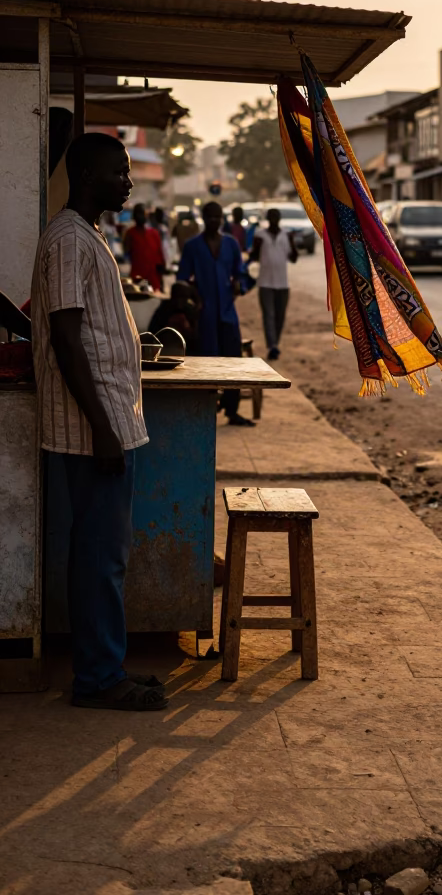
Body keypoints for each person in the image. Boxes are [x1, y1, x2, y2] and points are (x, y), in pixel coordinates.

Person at [30, 132, 166, 711]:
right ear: (87, 176)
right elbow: (65, 338)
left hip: (108, 420)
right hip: (94, 428)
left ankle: (106, 664)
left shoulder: (85, 235)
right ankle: (98, 678)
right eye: (119, 172)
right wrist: (103, 429)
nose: (128, 182)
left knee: (102, 555)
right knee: (100, 558)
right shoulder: (68, 239)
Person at [177, 201, 252, 425]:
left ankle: (232, 409)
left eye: (217, 217)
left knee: (233, 361)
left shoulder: (231, 244)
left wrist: (239, 285)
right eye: (210, 217)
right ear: (203, 218)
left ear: (222, 219)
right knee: (205, 362)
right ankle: (205, 410)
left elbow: (240, 273)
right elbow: (182, 280)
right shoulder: (192, 246)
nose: (214, 221)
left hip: (228, 312)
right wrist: (194, 296)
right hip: (204, 314)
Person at [250, 206, 298, 360]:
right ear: (267, 219)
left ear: (279, 218)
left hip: (283, 283)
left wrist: (292, 241)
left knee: (280, 316)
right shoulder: (260, 235)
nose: (273, 220)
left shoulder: (286, 235)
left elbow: (294, 258)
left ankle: (275, 343)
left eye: (275, 217)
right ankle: (272, 346)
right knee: (268, 315)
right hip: (265, 283)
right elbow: (254, 257)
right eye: (271, 217)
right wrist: (256, 246)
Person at [148, 280, 202, 352]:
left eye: (183, 297)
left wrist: (186, 327)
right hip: (164, 349)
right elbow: (153, 333)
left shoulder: (190, 310)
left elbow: (196, 338)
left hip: (187, 351)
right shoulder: (164, 309)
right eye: (177, 296)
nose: (179, 301)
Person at [124, 203, 165, 290]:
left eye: (142, 213)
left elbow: (160, 257)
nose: (140, 216)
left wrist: (161, 279)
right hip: (137, 278)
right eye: (138, 213)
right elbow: (126, 251)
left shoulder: (154, 233)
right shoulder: (130, 233)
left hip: (153, 279)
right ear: (134, 216)